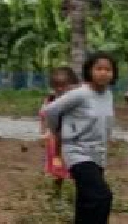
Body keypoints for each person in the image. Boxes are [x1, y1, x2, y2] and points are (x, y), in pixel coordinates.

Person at [41, 52, 116, 224]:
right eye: (99, 68)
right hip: (77, 153)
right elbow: (51, 110)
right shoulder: (80, 93)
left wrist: (109, 137)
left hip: (98, 153)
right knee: (102, 196)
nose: (103, 73)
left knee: (85, 201)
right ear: (90, 70)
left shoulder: (108, 94)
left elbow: (106, 119)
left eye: (108, 69)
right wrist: (56, 130)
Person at [39, 66, 79, 198]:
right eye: (57, 85)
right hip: (54, 140)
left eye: (64, 85)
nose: (60, 88)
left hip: (71, 141)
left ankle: (81, 195)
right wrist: (43, 132)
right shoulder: (50, 99)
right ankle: (56, 194)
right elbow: (44, 116)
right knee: (57, 170)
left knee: (76, 168)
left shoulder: (76, 101)